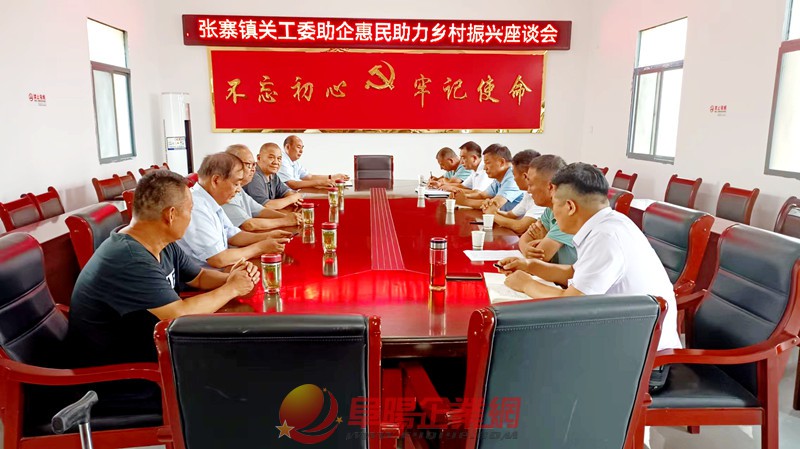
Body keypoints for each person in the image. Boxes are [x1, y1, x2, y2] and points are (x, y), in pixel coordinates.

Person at [68, 170, 261, 368]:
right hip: (120, 369)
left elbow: (199, 277)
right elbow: (178, 315)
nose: (191, 217)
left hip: (155, 346)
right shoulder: (130, 258)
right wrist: (231, 289)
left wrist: (234, 278)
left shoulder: (161, 242)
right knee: (240, 359)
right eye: (190, 210)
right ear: (171, 215)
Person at [497, 162, 682, 358]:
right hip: (623, 338)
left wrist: (526, 284)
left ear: (570, 207)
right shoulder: (609, 223)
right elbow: (575, 273)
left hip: (641, 359)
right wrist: (530, 266)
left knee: (522, 350)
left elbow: (573, 304)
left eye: (554, 204)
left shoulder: (606, 237)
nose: (553, 213)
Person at [178, 152, 292, 268]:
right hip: (209, 275)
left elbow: (232, 235)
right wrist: (260, 248)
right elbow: (218, 259)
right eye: (236, 183)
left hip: (224, 269)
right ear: (216, 180)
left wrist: (268, 236)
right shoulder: (196, 207)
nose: (238, 190)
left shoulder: (211, 200)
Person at [223, 144, 301, 231]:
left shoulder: (239, 189)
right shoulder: (225, 191)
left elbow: (260, 210)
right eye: (248, 165)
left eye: (253, 165)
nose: (253, 169)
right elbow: (249, 225)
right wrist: (285, 220)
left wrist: (289, 217)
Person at [517, 155, 577, 264]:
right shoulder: (550, 209)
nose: (528, 191)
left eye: (531, 185)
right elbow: (524, 238)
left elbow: (540, 257)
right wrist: (526, 249)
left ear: (550, 186)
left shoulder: (568, 213)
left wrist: (542, 240)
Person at [482, 149, 545, 234]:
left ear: (525, 176)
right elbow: (510, 215)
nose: (513, 179)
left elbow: (519, 227)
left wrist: (492, 214)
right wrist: (490, 209)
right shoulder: (528, 194)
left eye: (514, 175)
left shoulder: (542, 198)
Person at [454, 144, 523, 212]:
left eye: (488, 163)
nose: (484, 168)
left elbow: (494, 205)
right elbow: (482, 195)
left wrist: (464, 201)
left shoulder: (513, 177)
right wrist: (463, 196)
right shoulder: (500, 177)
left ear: (501, 162)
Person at [243, 142, 305, 209]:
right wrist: (292, 198)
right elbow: (266, 206)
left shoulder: (273, 175)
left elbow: (285, 192)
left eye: (279, 158)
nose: (276, 162)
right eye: (271, 157)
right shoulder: (253, 176)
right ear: (259, 158)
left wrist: (294, 198)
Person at [278, 135, 349, 189]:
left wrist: (333, 177)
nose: (301, 151)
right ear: (287, 147)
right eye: (298, 147)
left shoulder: (294, 162)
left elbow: (309, 177)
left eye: (302, 148)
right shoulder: (282, 160)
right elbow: (293, 184)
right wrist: (320, 183)